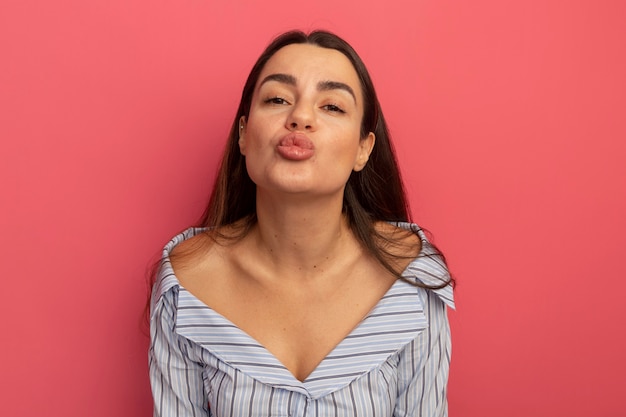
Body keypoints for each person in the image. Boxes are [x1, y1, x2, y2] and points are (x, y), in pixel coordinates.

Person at [149, 29, 455, 417]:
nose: (300, 117)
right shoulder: (185, 283)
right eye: (278, 99)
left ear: (364, 149)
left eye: (332, 106)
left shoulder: (412, 278)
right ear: (244, 134)